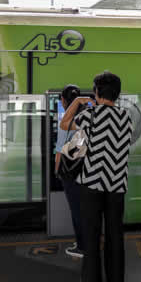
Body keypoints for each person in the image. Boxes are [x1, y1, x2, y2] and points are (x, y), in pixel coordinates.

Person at [60, 72, 133, 282]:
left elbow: (64, 124)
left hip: (91, 184)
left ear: (97, 92)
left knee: (92, 234)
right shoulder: (127, 116)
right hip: (117, 185)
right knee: (115, 233)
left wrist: (77, 102)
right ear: (117, 94)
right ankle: (116, 279)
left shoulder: (90, 115)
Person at [55, 84, 84, 258]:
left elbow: (59, 153)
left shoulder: (65, 123)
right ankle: (86, 241)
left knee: (76, 210)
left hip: (71, 173)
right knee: (85, 209)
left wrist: (57, 172)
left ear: (64, 101)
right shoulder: (86, 117)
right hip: (87, 171)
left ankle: (82, 246)